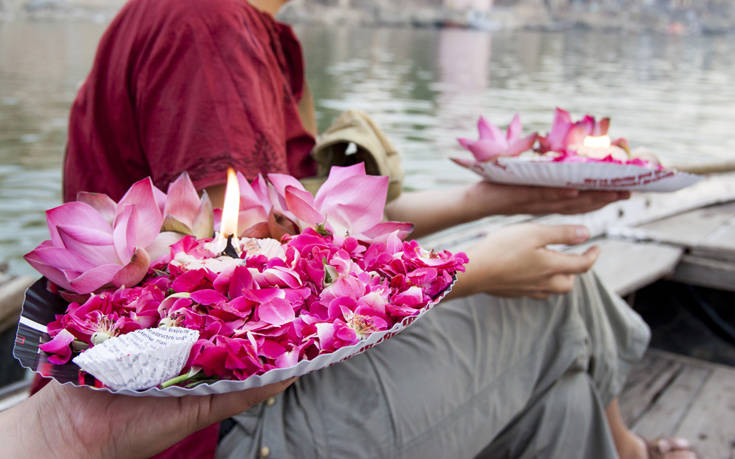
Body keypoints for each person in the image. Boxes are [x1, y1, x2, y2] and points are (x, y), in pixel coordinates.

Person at [48, 0, 696, 457]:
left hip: (257, 401)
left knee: (563, 403)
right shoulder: (207, 27)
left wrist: (491, 199)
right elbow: (254, 310)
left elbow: (316, 240)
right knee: (560, 302)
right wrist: (473, 272)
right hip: (224, 431)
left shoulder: (250, 31)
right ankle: (633, 451)